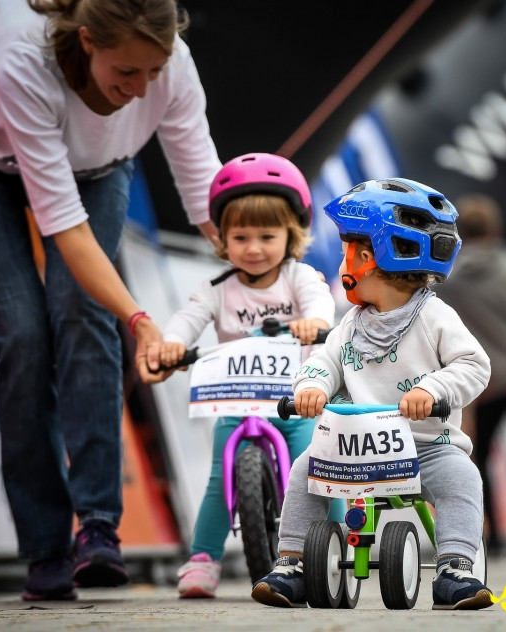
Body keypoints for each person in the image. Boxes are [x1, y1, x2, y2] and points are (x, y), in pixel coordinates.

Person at [0, 0, 222, 601]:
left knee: (84, 318)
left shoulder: (173, 63)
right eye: (125, 74)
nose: (140, 91)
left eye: (153, 73)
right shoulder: (23, 55)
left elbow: (202, 182)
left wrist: (256, 252)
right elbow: (67, 230)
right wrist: (139, 321)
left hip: (99, 169)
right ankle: (45, 549)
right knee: (26, 336)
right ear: (87, 42)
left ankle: (99, 530)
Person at [250, 178, 494, 611]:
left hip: (425, 447)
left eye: (348, 249)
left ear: (368, 257)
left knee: (462, 477)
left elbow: (474, 366)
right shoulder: (350, 323)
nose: (343, 259)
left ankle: (455, 565)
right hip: (352, 447)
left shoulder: (434, 316)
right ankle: (294, 563)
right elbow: (325, 362)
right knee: (306, 468)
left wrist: (433, 388)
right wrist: (311, 387)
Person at [147, 152, 343, 599]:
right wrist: (173, 342)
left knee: (316, 469)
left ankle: (337, 541)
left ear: (291, 234)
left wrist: (313, 321)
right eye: (240, 237)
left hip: (295, 400)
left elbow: (320, 304)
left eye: (266, 236)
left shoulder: (299, 277)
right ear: (223, 239)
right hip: (235, 400)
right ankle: (203, 559)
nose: (253, 248)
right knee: (221, 477)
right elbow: (187, 319)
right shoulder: (217, 288)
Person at [437, 194, 506, 557]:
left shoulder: (448, 280)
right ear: (496, 228)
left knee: (482, 456)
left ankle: (497, 536)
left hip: (488, 382)